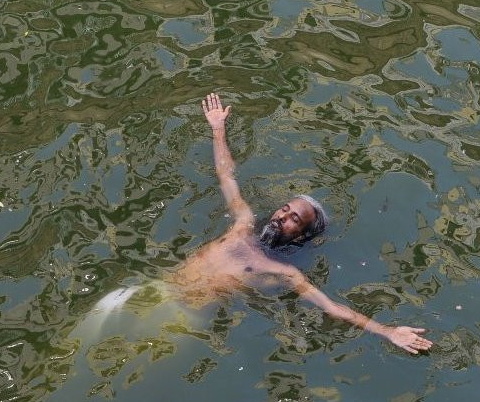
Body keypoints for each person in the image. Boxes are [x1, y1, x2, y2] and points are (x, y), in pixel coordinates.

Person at [156, 93, 433, 354]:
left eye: (294, 219)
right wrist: (218, 130)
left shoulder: (282, 271)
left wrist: (387, 331)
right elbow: (226, 176)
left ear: (300, 236)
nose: (281, 217)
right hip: (161, 287)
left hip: (184, 320)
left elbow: (331, 307)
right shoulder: (242, 223)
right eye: (284, 210)